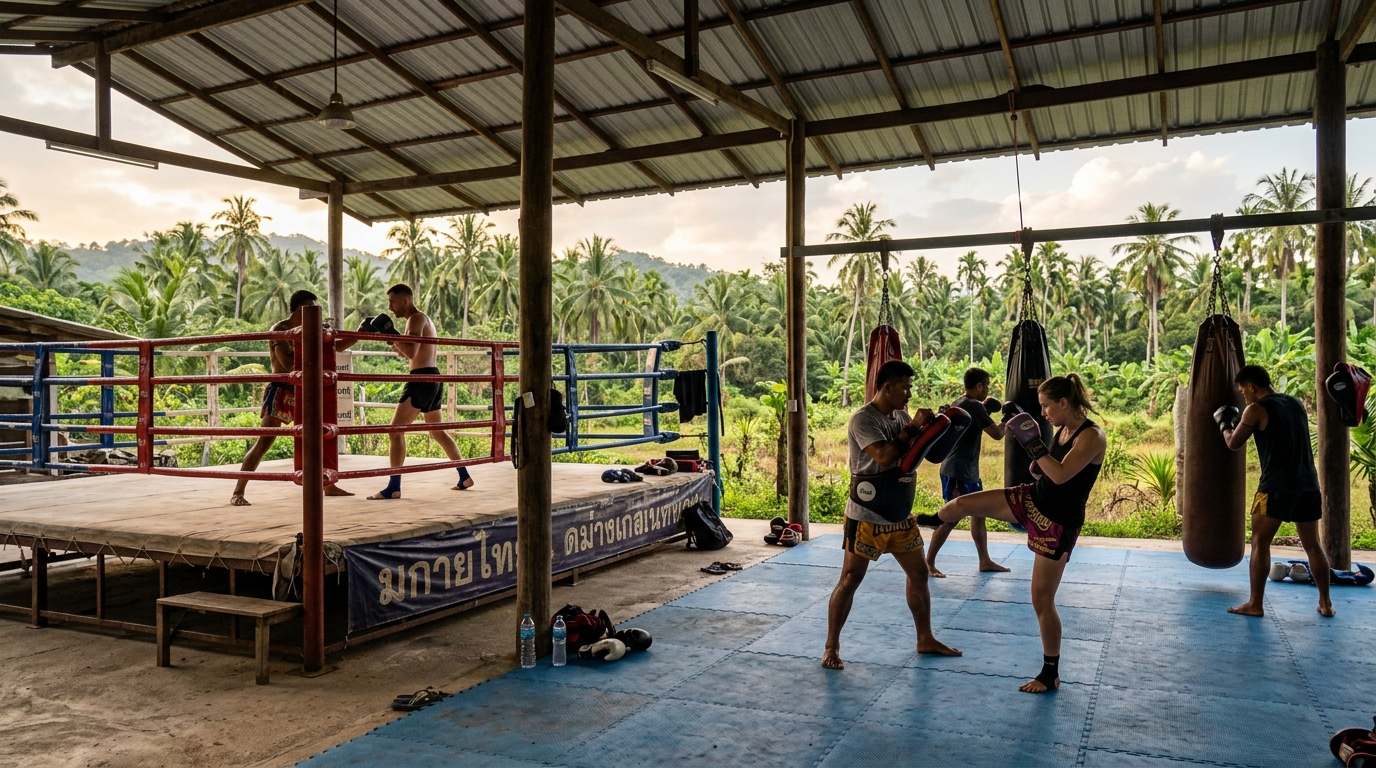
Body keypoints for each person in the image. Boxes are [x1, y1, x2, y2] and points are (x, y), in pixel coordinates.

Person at [936, 374, 1105, 693]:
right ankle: (930, 520)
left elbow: (1061, 475)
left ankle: (1050, 674)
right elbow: (1050, 470)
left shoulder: (1092, 437)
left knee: (1042, 600)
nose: (1043, 413)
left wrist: (1033, 445)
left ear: (1064, 403)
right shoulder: (1063, 429)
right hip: (1033, 499)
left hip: (1058, 522)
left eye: (1046, 406)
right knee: (964, 503)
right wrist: (1039, 464)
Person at [823, 360, 960, 670]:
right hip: (867, 515)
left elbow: (918, 452)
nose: (909, 394)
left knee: (919, 574)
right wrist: (912, 428)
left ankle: (925, 638)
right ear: (887, 387)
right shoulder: (863, 419)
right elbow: (884, 456)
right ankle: (831, 646)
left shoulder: (900, 416)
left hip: (899, 514)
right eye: (905, 388)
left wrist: (938, 426)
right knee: (851, 578)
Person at [1216, 364, 1333, 619]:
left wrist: (1224, 423)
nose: (1243, 396)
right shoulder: (1295, 404)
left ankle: (1255, 604)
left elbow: (1234, 443)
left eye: (1243, 390)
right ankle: (1326, 603)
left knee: (1260, 541)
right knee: (1313, 545)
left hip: (1274, 488)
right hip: (1308, 486)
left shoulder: (1255, 409)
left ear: (1251, 386)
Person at [230, 290, 352, 505]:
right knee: (264, 441)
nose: (315, 315)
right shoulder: (280, 329)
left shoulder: (311, 331)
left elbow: (335, 347)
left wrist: (357, 335)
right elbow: (287, 364)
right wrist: (312, 345)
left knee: (317, 437)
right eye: (311, 310)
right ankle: (238, 492)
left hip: (303, 390)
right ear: (299, 310)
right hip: (282, 389)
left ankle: (328, 485)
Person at [357, 284, 474, 499]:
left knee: (395, 431)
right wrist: (391, 339)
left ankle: (394, 487)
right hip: (431, 377)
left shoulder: (416, 319)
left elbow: (411, 351)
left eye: (392, 302)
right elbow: (406, 352)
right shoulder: (419, 320)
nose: (390, 307)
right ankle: (464, 475)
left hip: (421, 379)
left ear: (406, 300)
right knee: (437, 432)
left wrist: (391, 334)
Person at [925, 367, 1011, 577]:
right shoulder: (974, 406)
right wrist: (1010, 418)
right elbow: (998, 434)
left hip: (964, 470)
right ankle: (928, 563)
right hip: (959, 472)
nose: (988, 389)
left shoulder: (960, 401)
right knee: (951, 518)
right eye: (986, 385)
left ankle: (985, 560)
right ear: (979, 386)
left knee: (979, 514)